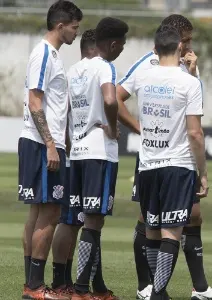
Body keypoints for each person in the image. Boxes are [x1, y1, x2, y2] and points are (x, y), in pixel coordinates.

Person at [117, 14, 212, 300]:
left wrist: (193, 73)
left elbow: (192, 109)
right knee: (153, 223)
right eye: (188, 40)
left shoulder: (182, 73)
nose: (191, 46)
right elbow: (116, 96)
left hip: (163, 159)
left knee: (186, 217)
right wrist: (138, 129)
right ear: (177, 41)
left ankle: (197, 288)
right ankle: (150, 288)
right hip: (170, 158)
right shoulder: (146, 66)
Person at [131, 25, 208, 300]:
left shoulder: (143, 78)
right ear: (179, 48)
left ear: (156, 48)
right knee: (171, 234)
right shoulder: (189, 81)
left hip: (147, 165)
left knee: (152, 231)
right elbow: (195, 133)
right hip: (177, 165)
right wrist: (203, 172)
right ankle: (158, 293)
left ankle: (155, 291)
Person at [19, 1, 82, 299]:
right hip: (42, 142)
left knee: (38, 211)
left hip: (45, 141)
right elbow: (35, 101)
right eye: (74, 27)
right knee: (51, 211)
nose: (76, 33)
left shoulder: (52, 54)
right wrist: (51, 145)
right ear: (60, 25)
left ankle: (32, 284)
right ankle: (34, 285)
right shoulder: (43, 53)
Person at [66, 16, 128, 300]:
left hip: (77, 151)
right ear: (113, 44)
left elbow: (67, 110)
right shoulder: (105, 67)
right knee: (94, 221)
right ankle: (81, 289)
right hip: (99, 152)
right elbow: (110, 100)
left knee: (90, 219)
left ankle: (97, 286)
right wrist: (114, 127)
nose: (122, 50)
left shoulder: (75, 70)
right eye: (122, 45)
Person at [50, 28, 99, 298]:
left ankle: (66, 279)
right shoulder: (88, 71)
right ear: (94, 48)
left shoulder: (73, 72)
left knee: (77, 220)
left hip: (77, 152)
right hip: (78, 154)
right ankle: (59, 281)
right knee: (69, 220)